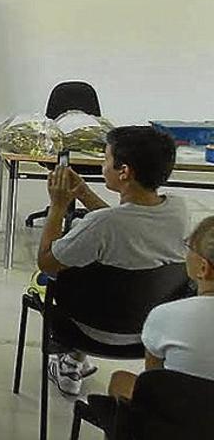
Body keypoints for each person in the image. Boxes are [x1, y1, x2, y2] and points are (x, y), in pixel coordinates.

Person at [37, 125, 187, 396]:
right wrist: (83, 192)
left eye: (105, 159)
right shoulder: (178, 211)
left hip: (88, 329)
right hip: (151, 332)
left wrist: (58, 206)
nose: (102, 165)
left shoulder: (101, 225)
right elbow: (124, 225)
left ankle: (71, 359)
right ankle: (73, 363)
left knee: (63, 279)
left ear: (124, 171)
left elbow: (47, 262)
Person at [108, 215, 214, 400]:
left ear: (203, 268)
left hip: (178, 420)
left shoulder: (166, 315)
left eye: (189, 247)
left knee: (120, 381)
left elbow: (152, 382)